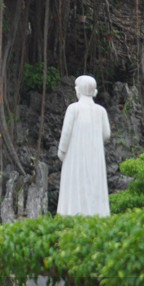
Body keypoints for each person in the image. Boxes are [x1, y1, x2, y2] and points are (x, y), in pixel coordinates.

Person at [57, 75, 111, 217]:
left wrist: (62, 153)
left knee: (75, 188)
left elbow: (65, 135)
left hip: (75, 158)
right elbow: (106, 135)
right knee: (95, 188)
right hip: (95, 157)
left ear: (78, 90)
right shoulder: (101, 111)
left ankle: (72, 218)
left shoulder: (73, 109)